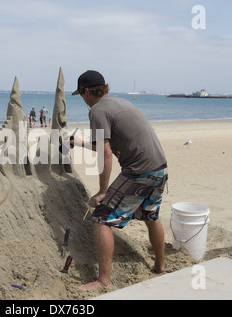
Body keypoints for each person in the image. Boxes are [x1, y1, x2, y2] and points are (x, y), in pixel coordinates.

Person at [70, 70, 168, 291]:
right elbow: (106, 144)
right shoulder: (119, 103)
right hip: (160, 169)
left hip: (139, 172)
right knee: (151, 215)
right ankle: (160, 265)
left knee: (101, 219)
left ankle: (103, 280)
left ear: (86, 92)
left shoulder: (97, 111)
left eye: (82, 95)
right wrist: (78, 142)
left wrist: (102, 191)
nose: (83, 100)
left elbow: (105, 154)